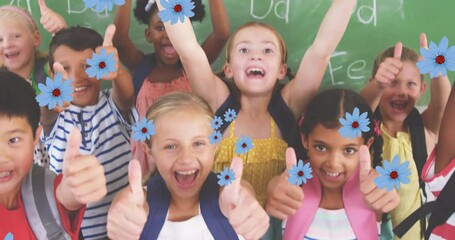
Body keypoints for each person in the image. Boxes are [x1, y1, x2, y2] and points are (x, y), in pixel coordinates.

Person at [158, 0, 356, 208]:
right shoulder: (218, 105)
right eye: (244, 50)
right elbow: (189, 53)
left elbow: (321, 52)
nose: (255, 56)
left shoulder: (288, 107)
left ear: (281, 70)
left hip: (279, 225)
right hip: (224, 223)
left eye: (267, 51)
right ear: (229, 70)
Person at [107, 92, 269, 240]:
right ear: (149, 151)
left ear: (215, 145)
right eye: (170, 146)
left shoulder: (232, 200)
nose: (185, 158)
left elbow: (243, 193)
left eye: (198, 143)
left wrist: (248, 204)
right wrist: (120, 210)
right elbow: (125, 204)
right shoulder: (137, 208)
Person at [40, 25, 137, 239]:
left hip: (120, 227)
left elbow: (127, 96)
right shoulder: (56, 114)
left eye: (86, 66)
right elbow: (45, 115)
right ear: (52, 74)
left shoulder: (112, 103)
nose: (75, 77)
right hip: (72, 230)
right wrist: (54, 97)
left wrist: (118, 70)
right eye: (64, 69)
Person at [113, 0, 230, 174]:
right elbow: (120, 40)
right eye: (160, 28)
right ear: (148, 34)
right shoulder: (142, 66)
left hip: (188, 157)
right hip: (149, 160)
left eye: (175, 26)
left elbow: (221, 34)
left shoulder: (195, 68)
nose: (169, 34)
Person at [267, 89, 400, 239]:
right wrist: (271, 188)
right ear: (305, 140)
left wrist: (387, 200)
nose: (334, 163)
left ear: (367, 145)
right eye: (321, 147)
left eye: (349, 150)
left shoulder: (376, 192)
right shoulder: (288, 190)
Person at [360, 35, 451, 239]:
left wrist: (435, 68)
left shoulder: (423, 128)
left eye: (410, 84)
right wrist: (378, 85)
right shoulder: (363, 129)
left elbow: (442, 109)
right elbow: (358, 107)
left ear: (422, 90)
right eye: (392, 83)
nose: (401, 91)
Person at [0, 70, 106, 240]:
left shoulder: (44, 188)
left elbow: (67, 196)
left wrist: (79, 183)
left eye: (13, 140)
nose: (2, 157)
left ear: (36, 137)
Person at [0, 0, 67, 168]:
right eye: (0, 39)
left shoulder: (47, 69)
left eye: (16, 36)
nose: (7, 44)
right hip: (15, 163)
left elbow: (65, 59)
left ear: (35, 38)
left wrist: (60, 32)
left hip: (59, 157)